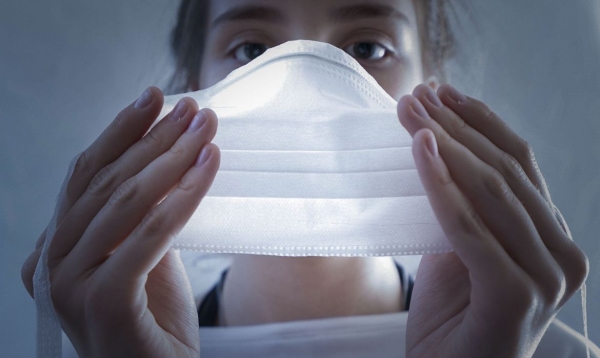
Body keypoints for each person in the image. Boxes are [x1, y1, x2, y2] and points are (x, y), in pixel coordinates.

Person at [20, 0, 599, 357]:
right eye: (252, 50)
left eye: (367, 47)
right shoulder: (105, 344)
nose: (308, 87)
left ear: (435, 83)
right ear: (192, 84)